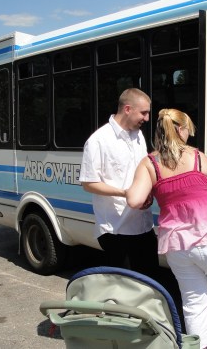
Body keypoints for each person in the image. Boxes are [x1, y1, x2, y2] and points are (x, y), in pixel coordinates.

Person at [125, 109, 207, 349]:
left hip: (177, 244)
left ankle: (200, 346)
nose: (189, 133)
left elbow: (135, 200)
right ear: (180, 130)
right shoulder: (199, 158)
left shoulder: (150, 163)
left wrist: (150, 193)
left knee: (193, 299)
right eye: (188, 128)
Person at [79, 88, 159, 277]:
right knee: (125, 288)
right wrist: (125, 193)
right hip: (116, 230)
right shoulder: (98, 140)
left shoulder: (137, 135)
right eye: (144, 113)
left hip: (143, 225)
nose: (147, 119)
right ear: (128, 109)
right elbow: (88, 183)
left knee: (150, 282)